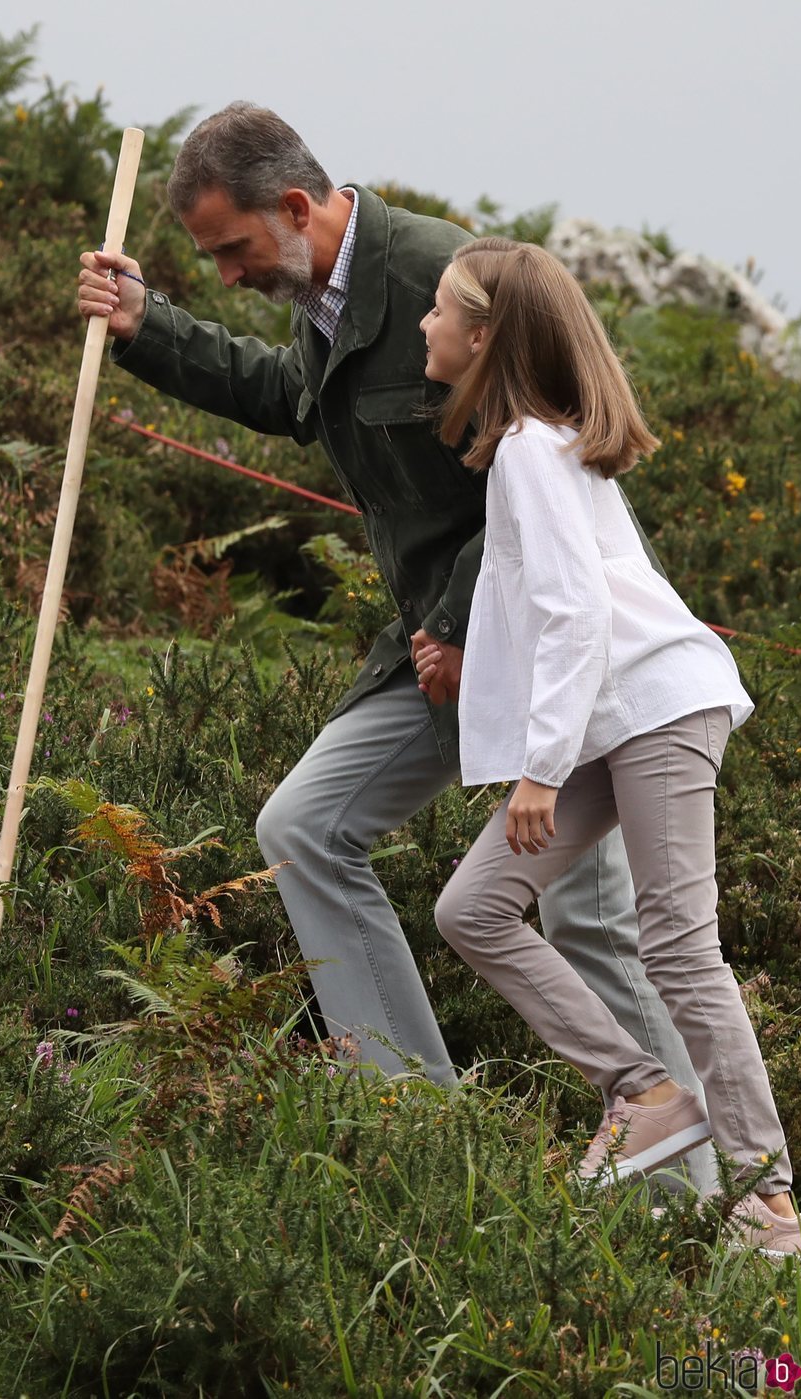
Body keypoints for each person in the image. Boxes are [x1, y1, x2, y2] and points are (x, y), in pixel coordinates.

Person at [77, 103, 712, 1187]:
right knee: (305, 824)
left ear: (292, 207)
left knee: (590, 918)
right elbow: (291, 398)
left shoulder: (440, 278)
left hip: (552, 646)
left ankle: (695, 1204)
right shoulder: (317, 296)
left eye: (230, 248)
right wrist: (150, 323)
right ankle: (421, 1130)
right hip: (431, 649)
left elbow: (540, 472)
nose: (224, 272)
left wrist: (467, 628)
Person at [414, 237, 801, 1254]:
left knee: (676, 943)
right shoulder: (525, 450)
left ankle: (765, 1195)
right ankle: (644, 1092)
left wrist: (539, 769)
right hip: (608, 719)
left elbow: (576, 614)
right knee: (473, 907)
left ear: (482, 335)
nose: (423, 324)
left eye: (438, 310)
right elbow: (546, 617)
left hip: (656, 707)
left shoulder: (534, 451)